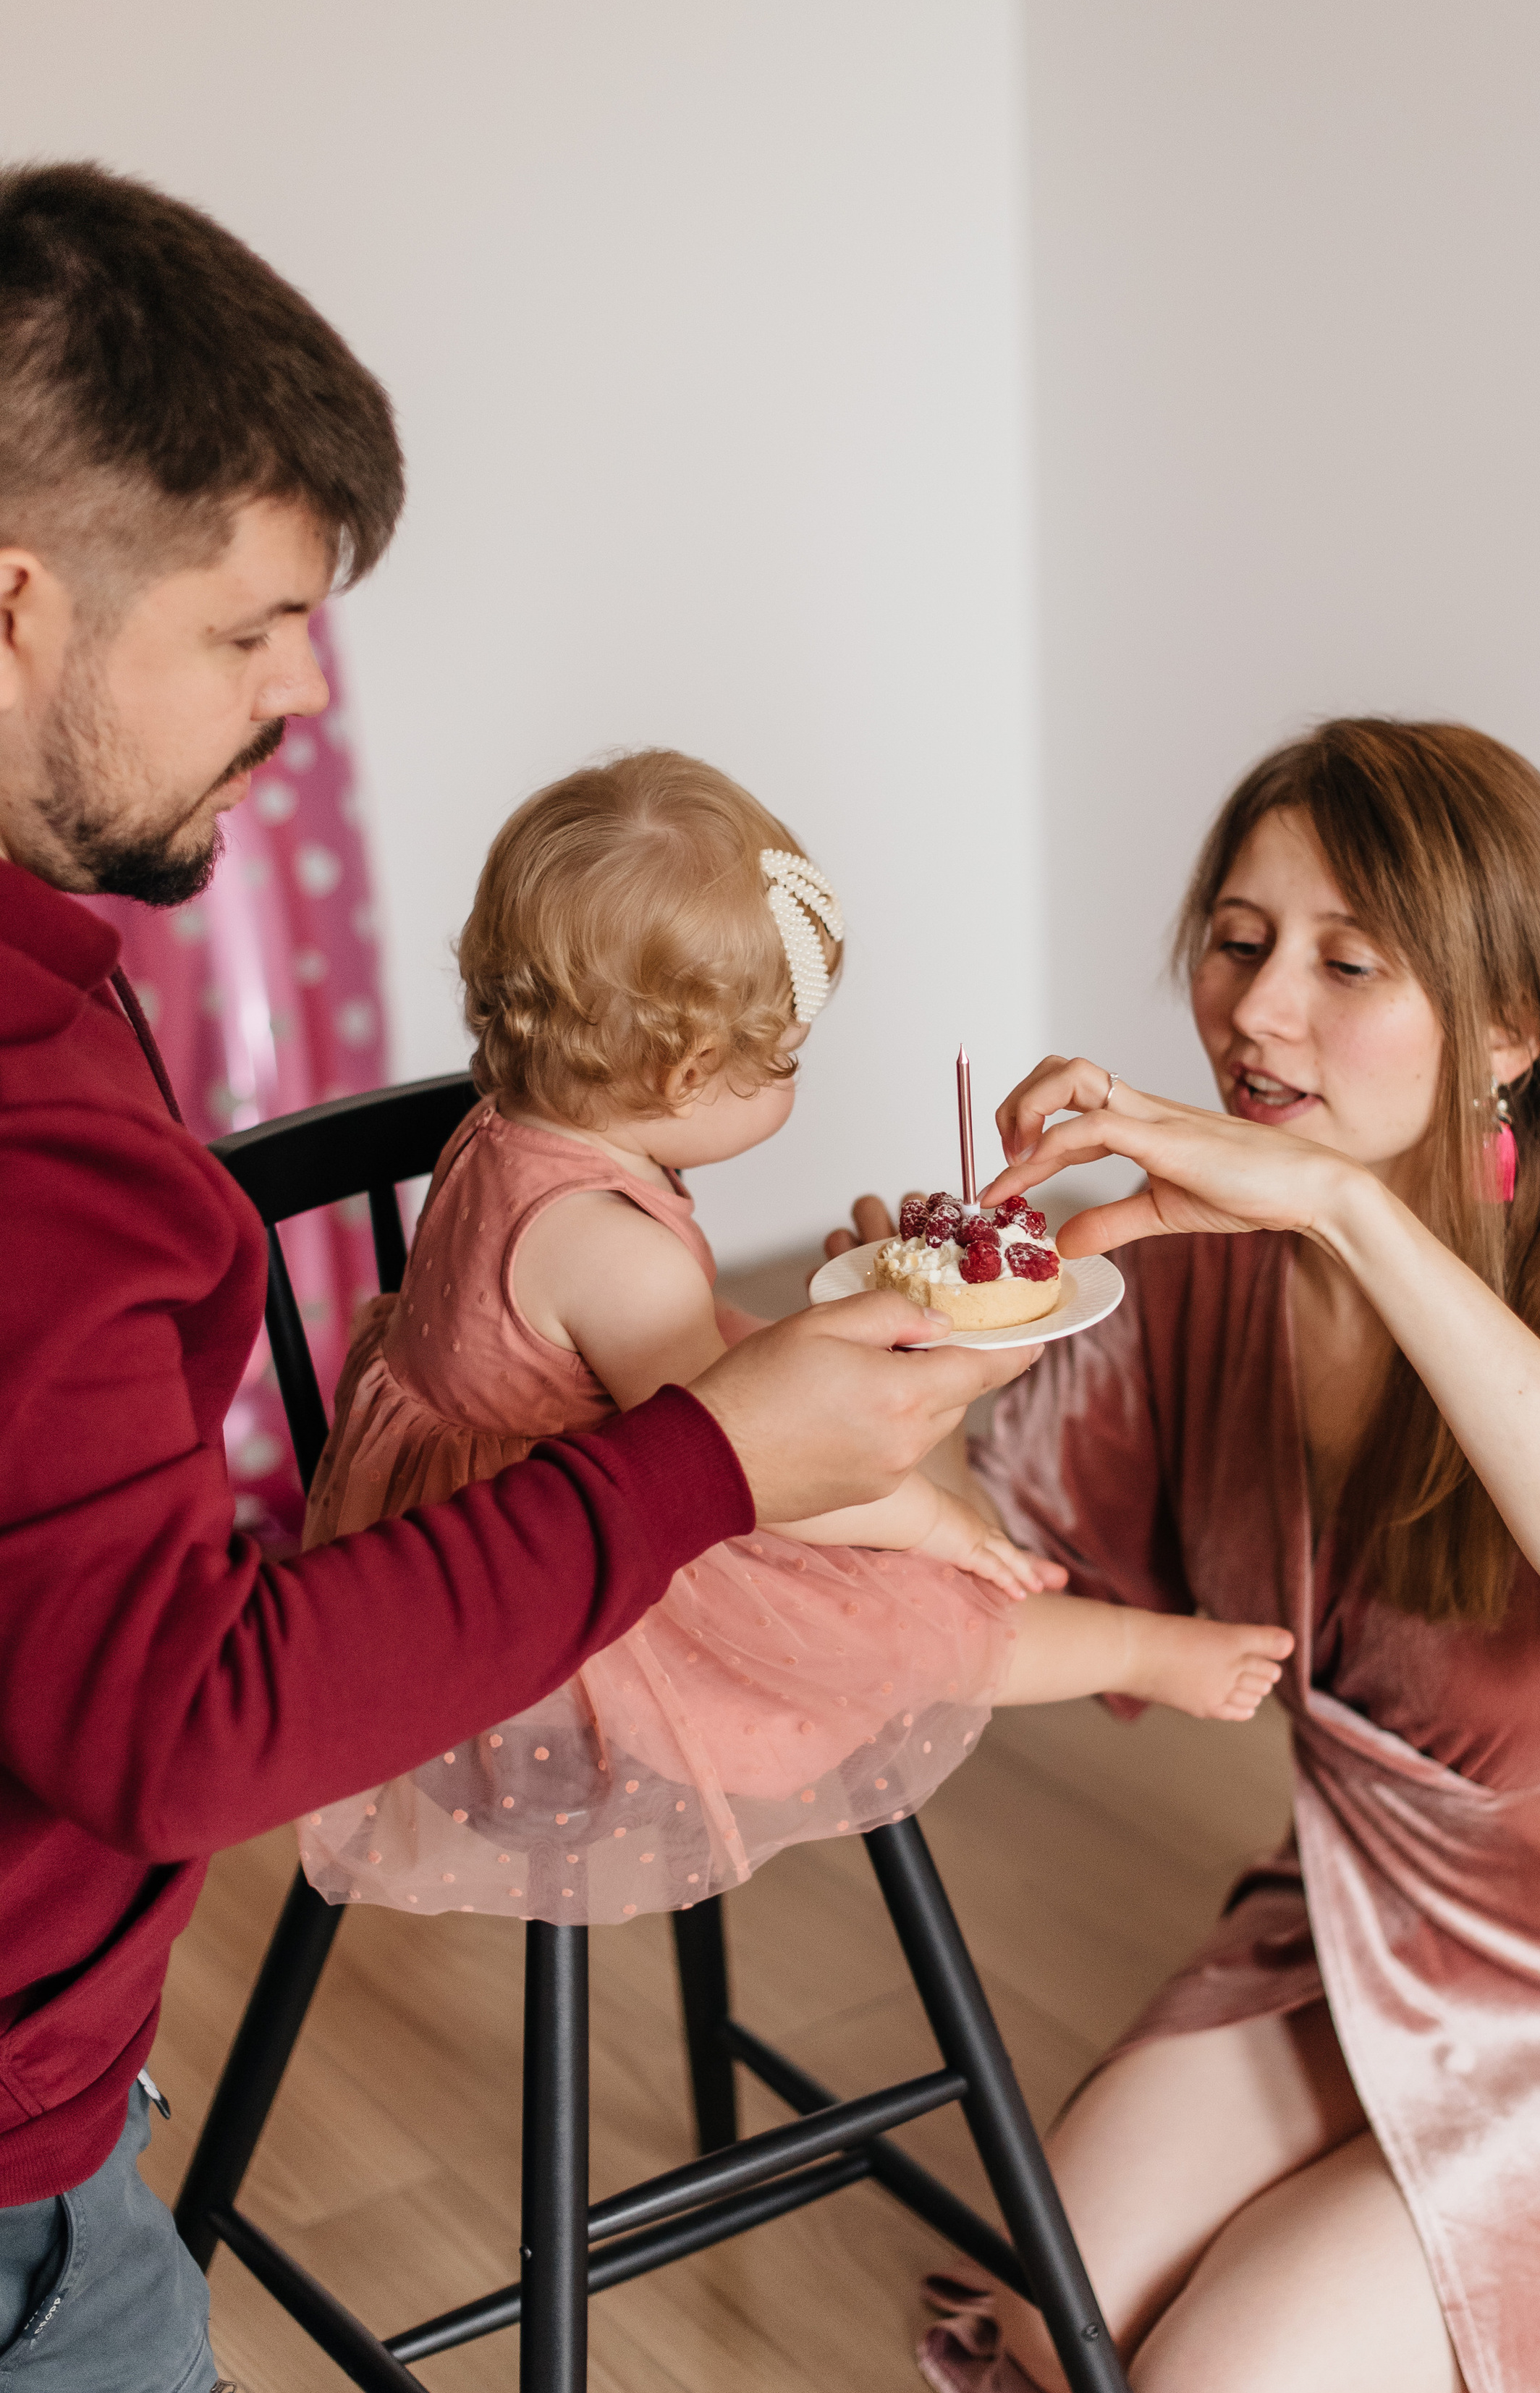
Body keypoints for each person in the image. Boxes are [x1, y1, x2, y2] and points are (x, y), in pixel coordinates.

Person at [0, 163, 1040, 2393]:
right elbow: (177, 1718)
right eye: (253, 624)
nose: (305, 698)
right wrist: (727, 1458)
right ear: (18, 601)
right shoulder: (35, 1125)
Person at [834, 719, 1540, 2393]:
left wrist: (1350, 1213)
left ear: (1507, 1029)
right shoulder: (1195, 1273)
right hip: (1363, 1922)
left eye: (1346, 959)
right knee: (1054, 2332)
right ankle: (1399, 2221)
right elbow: (991, 1549)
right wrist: (906, 1344)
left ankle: (1521, 2284)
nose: (1256, 1008)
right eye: (1234, 940)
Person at [300, 750, 1295, 1923]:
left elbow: (640, 1372)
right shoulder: (609, 1247)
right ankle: (1139, 1651)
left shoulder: (504, 1130)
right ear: (686, 1071)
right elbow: (751, 1462)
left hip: (451, 1555)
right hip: (541, 1631)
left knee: (884, 1514)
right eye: (782, 1060)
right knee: (907, 1605)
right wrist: (935, 1521)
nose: (793, 1079)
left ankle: (1083, 1612)